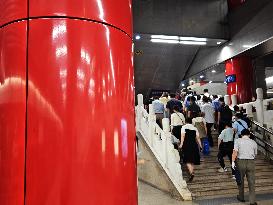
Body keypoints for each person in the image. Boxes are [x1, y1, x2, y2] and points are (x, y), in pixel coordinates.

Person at [232, 129, 258, 205]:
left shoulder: (238, 140)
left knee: (240, 180)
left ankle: (241, 197)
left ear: (241, 135)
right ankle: (252, 201)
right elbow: (255, 154)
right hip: (251, 162)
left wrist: (233, 162)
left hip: (240, 162)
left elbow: (235, 152)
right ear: (249, 135)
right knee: (251, 182)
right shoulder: (253, 142)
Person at [179, 118, 202, 182]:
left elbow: (182, 136)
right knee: (192, 160)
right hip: (194, 145)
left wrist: (181, 144)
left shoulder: (184, 127)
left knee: (187, 160)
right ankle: (192, 173)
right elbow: (198, 138)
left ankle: (192, 173)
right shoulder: (195, 128)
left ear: (186, 122)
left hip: (187, 145)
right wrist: (200, 146)